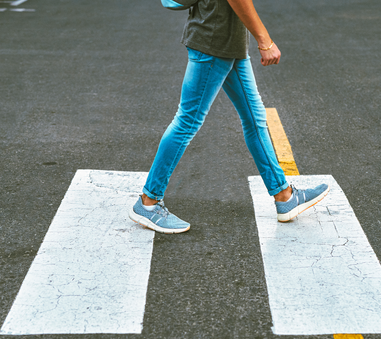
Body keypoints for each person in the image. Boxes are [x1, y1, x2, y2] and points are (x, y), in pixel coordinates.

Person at [129, 0, 329, 234]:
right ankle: (149, 201)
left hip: (230, 42)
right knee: (187, 122)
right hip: (214, 42)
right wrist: (264, 39)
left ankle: (284, 196)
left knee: (255, 119)